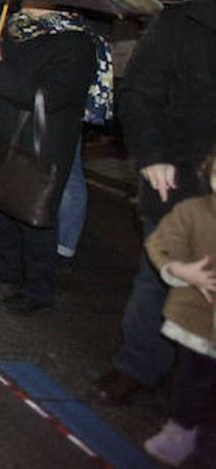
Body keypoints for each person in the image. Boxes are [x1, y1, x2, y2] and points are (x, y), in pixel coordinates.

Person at [91, 0, 216, 404]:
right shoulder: (182, 24)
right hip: (182, 178)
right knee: (159, 274)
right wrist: (152, 155)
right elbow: (140, 94)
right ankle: (140, 365)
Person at [0, 1, 107, 311]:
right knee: (0, 202)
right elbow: (6, 77)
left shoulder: (75, 41)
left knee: (32, 213)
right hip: (3, 130)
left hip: (40, 140)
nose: (25, 0)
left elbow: (49, 96)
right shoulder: (17, 29)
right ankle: (3, 266)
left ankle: (38, 290)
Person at [140, 149, 216, 466]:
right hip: (197, 321)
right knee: (193, 380)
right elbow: (159, 243)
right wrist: (179, 270)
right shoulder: (194, 211)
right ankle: (180, 431)